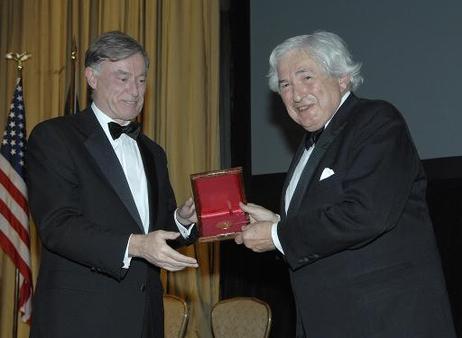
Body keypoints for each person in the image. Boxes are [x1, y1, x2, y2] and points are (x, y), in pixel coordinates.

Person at [235, 31, 456, 338]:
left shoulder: (376, 121)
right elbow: (326, 219)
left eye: (306, 77)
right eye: (285, 85)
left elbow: (368, 213)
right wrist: (278, 222)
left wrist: (277, 234)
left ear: (342, 79)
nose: (296, 94)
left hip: (384, 322)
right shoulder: (309, 146)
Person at [26, 31, 199, 338]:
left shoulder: (153, 152)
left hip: (146, 320)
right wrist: (136, 245)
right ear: (91, 77)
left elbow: (156, 230)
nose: (135, 91)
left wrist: (181, 221)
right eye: (122, 78)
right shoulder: (54, 137)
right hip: (80, 322)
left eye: (142, 80)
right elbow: (58, 225)